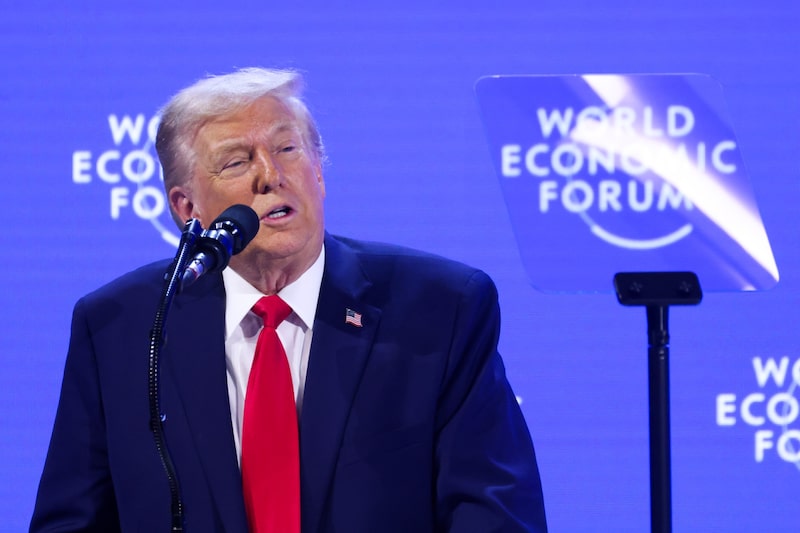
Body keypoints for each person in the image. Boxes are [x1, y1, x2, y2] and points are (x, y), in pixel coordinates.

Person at [30, 67, 547, 532]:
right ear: (187, 207)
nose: (269, 175)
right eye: (236, 162)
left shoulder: (440, 309)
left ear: (318, 173)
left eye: (287, 149)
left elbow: (496, 514)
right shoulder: (122, 327)